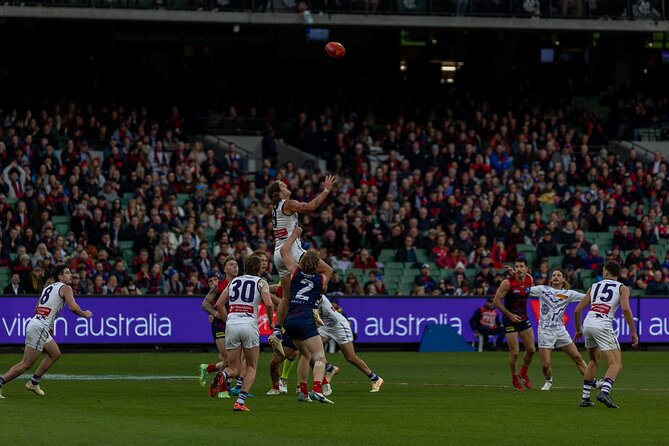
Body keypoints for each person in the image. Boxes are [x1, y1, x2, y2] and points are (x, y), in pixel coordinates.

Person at [0, 263, 93, 399]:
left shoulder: (48, 288)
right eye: (67, 272)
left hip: (38, 323)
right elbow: (73, 307)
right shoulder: (66, 288)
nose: (71, 275)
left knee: (55, 353)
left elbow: (37, 308)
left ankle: (34, 382)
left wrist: (49, 324)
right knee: (26, 363)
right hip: (40, 326)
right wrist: (84, 314)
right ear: (60, 277)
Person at [273, 227, 333, 403]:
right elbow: (329, 270)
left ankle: (303, 392)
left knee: (304, 354)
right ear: (317, 264)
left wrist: (293, 236)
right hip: (306, 318)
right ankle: (317, 389)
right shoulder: (321, 280)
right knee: (319, 356)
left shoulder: (295, 272)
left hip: (290, 320)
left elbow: (284, 251)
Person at [266, 175, 335, 317]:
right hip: (292, 250)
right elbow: (310, 207)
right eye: (282, 185)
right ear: (278, 193)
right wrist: (326, 190)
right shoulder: (287, 203)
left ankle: (278, 330)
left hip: (278, 253)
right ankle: (314, 304)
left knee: (286, 297)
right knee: (328, 271)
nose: (285, 184)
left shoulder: (275, 208)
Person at [213, 255, 274, 412]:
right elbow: (268, 303)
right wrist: (271, 321)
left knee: (234, 368)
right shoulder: (261, 282)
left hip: (232, 324)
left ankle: (224, 375)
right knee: (252, 366)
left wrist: (228, 321)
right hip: (249, 325)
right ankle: (240, 402)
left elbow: (219, 304)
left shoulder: (233, 282)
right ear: (257, 268)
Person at [574, 260, 639, 408]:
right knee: (616, 364)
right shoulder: (622, 288)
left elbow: (577, 310)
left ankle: (585, 398)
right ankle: (604, 392)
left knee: (593, 361)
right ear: (618, 273)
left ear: (605, 272)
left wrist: (579, 330)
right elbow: (626, 309)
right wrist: (633, 332)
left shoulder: (594, 286)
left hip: (588, 324)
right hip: (603, 325)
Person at [525, 268, 596, 390]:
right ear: (551, 278)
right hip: (545, 331)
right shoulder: (542, 290)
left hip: (560, 331)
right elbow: (524, 291)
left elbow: (587, 298)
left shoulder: (569, 293)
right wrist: (520, 279)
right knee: (545, 365)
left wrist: (597, 292)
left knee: (577, 358)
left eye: (558, 275)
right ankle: (549, 380)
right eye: (553, 275)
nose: (556, 277)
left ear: (563, 279)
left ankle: (593, 382)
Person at [317, 294, 383, 395]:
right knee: (310, 349)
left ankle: (375, 378)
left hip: (339, 326)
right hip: (326, 326)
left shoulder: (317, 294)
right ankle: (330, 368)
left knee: (350, 357)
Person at [493, 257, 535, 391]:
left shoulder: (530, 279)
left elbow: (525, 288)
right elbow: (496, 302)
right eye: (517, 266)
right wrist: (510, 315)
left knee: (531, 349)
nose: (519, 269)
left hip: (523, 317)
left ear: (526, 268)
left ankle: (523, 372)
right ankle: (514, 377)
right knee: (515, 353)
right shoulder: (507, 283)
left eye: (521, 266)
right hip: (509, 319)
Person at [197, 257, 238, 388]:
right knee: (226, 359)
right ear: (225, 269)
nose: (235, 267)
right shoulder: (218, 286)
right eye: (231, 265)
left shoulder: (240, 283)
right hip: (220, 326)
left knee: (234, 361)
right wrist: (214, 314)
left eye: (236, 264)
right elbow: (205, 303)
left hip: (234, 326)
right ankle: (222, 389)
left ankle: (208, 368)